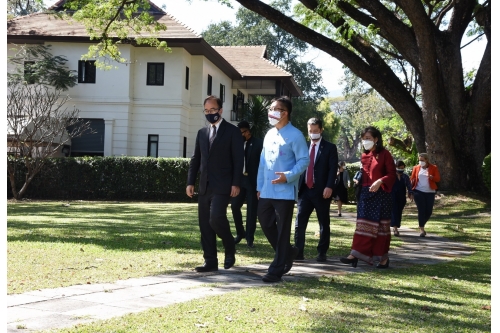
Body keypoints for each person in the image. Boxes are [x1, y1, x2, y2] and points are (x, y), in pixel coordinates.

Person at [186, 95, 244, 272]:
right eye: (206, 111)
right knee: (205, 224)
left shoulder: (232, 132)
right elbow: (196, 159)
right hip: (205, 185)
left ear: (220, 110)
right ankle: (210, 261)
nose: (210, 113)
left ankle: (229, 246)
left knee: (216, 218)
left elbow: (238, 159)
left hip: (223, 185)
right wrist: (190, 182)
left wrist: (236, 183)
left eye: (213, 110)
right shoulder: (202, 133)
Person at [257, 96, 309, 283]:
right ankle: (289, 252)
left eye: (275, 109)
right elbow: (263, 162)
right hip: (267, 190)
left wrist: (288, 176)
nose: (271, 111)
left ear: (285, 113)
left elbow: (304, 160)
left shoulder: (295, 135)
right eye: (270, 108)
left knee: (282, 231)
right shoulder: (269, 134)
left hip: (285, 192)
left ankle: (276, 269)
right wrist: (259, 186)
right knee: (264, 221)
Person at [340, 126, 396, 269]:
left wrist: (380, 180)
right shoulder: (363, 156)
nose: (365, 141)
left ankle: (383, 259)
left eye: (368, 138)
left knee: (381, 228)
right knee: (363, 226)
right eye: (364, 138)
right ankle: (355, 255)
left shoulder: (385, 154)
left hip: (382, 195)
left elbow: (392, 174)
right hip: (366, 194)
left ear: (376, 139)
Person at [293, 118, 338, 262]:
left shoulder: (330, 148)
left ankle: (322, 252)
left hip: (321, 192)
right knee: (300, 222)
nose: (313, 134)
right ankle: (298, 252)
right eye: (310, 131)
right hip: (304, 191)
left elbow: (332, 169)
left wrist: (329, 186)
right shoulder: (303, 146)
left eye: (316, 131)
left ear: (321, 130)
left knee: (323, 223)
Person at [231, 120, 263, 248]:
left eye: (242, 132)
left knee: (251, 211)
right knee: (234, 206)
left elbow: (262, 165)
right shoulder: (236, 144)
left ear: (248, 131)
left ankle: (250, 238)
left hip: (253, 182)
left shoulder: (259, 144)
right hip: (239, 181)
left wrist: (260, 185)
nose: (241, 135)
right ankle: (240, 233)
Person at [410, 153, 441, 237]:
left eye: (422, 160)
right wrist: (410, 192)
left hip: (430, 192)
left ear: (427, 160)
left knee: (429, 211)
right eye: (419, 160)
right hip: (418, 191)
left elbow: (438, 179)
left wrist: (432, 177)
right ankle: (422, 229)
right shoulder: (416, 168)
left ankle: (421, 224)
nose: (421, 162)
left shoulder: (433, 167)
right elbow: (412, 179)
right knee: (421, 210)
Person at [391, 160, 413, 236]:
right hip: (392, 195)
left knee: (399, 211)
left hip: (401, 196)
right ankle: (395, 228)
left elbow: (409, 186)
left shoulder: (405, 177)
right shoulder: (392, 175)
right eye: (400, 167)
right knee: (394, 210)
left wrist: (410, 193)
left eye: (402, 168)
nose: (401, 169)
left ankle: (396, 225)